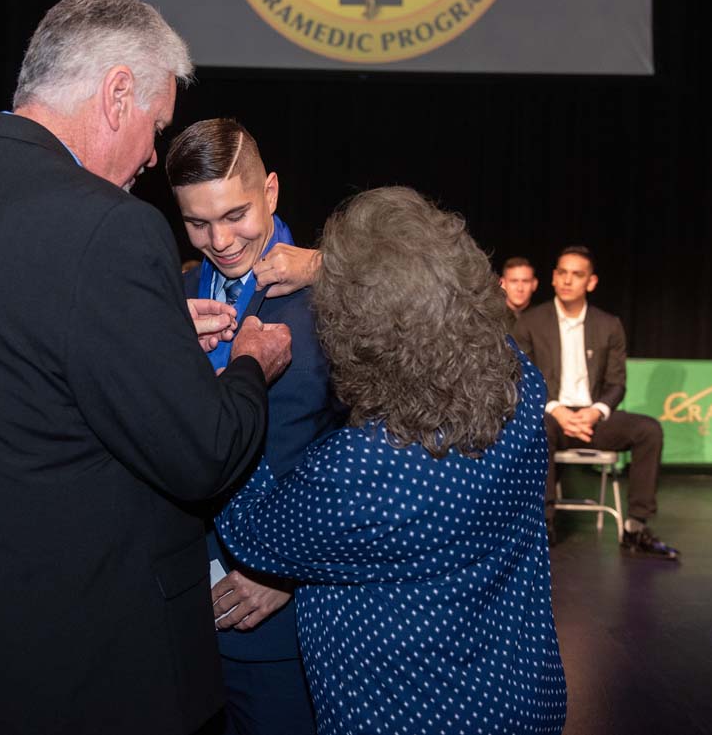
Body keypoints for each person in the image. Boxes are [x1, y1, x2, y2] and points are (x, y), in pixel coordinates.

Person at [0, 0, 293, 735]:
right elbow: (204, 454)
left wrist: (154, 336)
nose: (153, 155)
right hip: (73, 663)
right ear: (117, 94)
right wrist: (252, 360)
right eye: (156, 126)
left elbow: (19, 377)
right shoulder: (109, 227)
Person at [216, 187, 567, 735]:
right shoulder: (521, 386)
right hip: (521, 698)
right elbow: (439, 292)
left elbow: (251, 531)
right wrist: (332, 267)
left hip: (406, 715)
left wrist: (246, 378)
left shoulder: (360, 468)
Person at [166, 119, 343, 735]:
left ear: (270, 190)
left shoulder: (337, 298)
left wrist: (290, 567)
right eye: (196, 223)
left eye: (235, 214)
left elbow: (367, 456)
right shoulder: (173, 296)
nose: (219, 240)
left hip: (286, 623)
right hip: (179, 617)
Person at [513, 246, 679, 558]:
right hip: (552, 415)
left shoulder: (608, 325)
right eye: (562, 273)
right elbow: (522, 379)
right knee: (537, 428)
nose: (567, 280)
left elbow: (617, 383)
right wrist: (556, 409)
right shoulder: (530, 323)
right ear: (553, 277)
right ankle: (543, 524)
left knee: (649, 430)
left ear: (591, 282)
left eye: (577, 275)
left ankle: (636, 526)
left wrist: (595, 411)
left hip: (592, 419)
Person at [500, 255, 539, 331]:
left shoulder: (543, 318)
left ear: (534, 284)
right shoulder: (491, 318)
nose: (520, 288)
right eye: (514, 281)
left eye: (525, 281)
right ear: (502, 283)